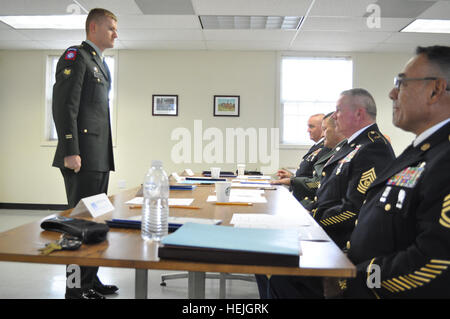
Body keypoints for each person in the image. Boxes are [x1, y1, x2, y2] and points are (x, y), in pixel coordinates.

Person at [333, 45, 450, 298]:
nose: (391, 93)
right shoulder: (422, 151)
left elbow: (435, 261)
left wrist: (353, 279)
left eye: (402, 83)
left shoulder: (444, 158)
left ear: (435, 90)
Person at [256, 88, 395, 298]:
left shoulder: (373, 147)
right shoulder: (350, 146)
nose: (334, 115)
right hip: (324, 231)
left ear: (358, 113)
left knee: (278, 272)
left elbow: (354, 209)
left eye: (338, 110)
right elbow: (326, 193)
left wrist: (307, 219)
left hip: (340, 241)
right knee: (264, 259)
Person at [52, 8, 118, 299]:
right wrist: (70, 150)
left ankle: (91, 280)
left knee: (96, 224)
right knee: (78, 226)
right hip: (81, 157)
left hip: (99, 157)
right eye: (111, 28)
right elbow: (65, 106)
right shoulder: (75, 57)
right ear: (94, 28)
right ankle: (74, 288)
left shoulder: (101, 64)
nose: (116, 34)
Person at [294, 112, 347, 207]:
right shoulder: (333, 149)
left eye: (324, 129)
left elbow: (321, 182)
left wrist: (292, 181)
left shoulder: (338, 150)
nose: (322, 135)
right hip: (316, 204)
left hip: (326, 208)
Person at [273, 113, 326, 186]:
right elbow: (307, 175)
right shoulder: (317, 146)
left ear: (323, 128)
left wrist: (292, 181)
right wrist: (291, 176)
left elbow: (317, 183)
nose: (308, 130)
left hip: (308, 195)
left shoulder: (325, 149)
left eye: (311, 127)